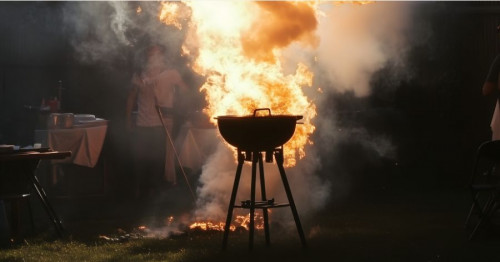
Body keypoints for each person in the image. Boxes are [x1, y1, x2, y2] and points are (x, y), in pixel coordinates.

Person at [126, 44, 189, 199]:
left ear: (162, 56)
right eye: (150, 53)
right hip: (142, 122)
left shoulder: (171, 73)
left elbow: (185, 89)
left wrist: (177, 105)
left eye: (157, 53)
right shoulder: (140, 75)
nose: (153, 56)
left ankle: (156, 190)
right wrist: (128, 120)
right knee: (141, 157)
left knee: (159, 157)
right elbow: (131, 97)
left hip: (162, 123)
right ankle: (139, 190)